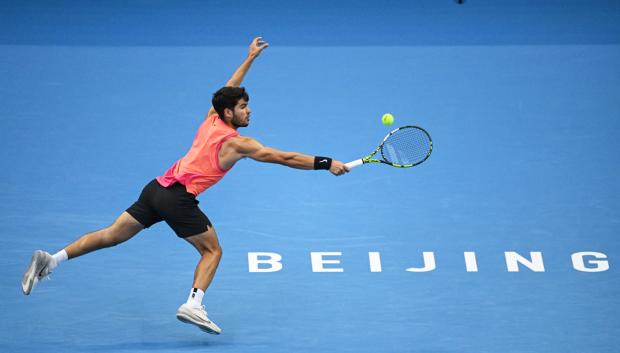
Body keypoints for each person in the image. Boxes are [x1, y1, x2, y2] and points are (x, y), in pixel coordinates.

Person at [21, 37, 350, 335]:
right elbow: (285, 157)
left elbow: (229, 86)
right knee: (213, 251)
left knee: (111, 235)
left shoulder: (212, 118)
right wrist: (327, 163)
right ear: (229, 112)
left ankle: (51, 260)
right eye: (243, 107)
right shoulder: (239, 143)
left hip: (155, 188)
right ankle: (193, 305)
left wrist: (250, 59)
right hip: (177, 199)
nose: (249, 110)